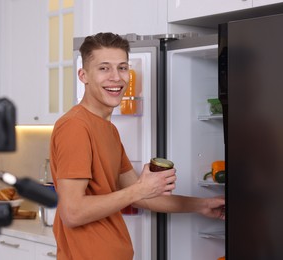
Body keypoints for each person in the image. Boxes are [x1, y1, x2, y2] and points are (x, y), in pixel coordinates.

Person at [50, 32, 225, 260]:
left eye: (122, 68)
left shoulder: (108, 130)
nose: (116, 77)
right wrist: (140, 189)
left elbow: (143, 197)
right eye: (104, 68)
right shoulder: (75, 127)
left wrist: (203, 204)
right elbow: (72, 212)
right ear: (84, 75)